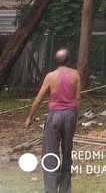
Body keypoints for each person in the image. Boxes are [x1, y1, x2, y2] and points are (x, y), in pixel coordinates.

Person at [25, 48, 80, 193]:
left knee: (50, 154)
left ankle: (50, 190)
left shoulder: (50, 76)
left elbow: (38, 99)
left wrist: (29, 117)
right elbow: (77, 99)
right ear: (69, 60)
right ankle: (65, 190)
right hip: (70, 115)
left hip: (54, 116)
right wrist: (75, 117)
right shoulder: (75, 74)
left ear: (56, 61)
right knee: (67, 153)